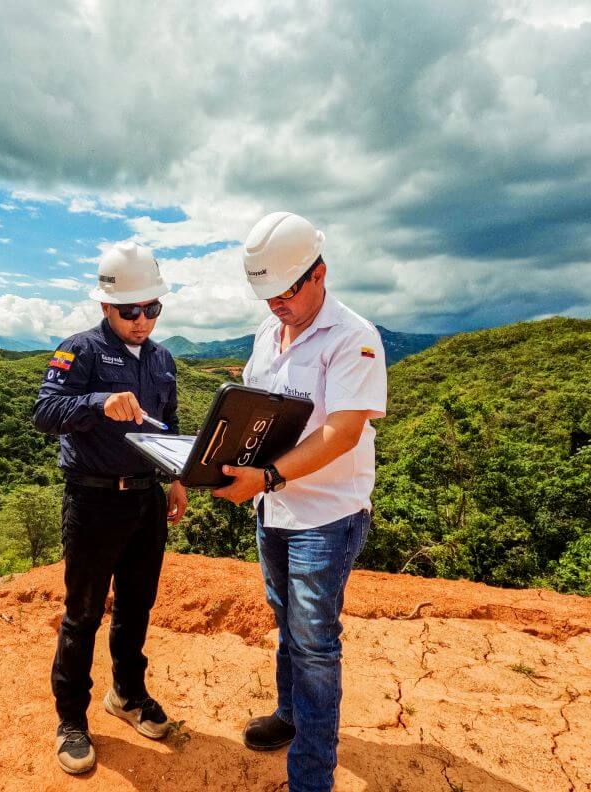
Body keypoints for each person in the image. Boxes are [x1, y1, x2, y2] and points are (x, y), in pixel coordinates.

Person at [212, 212, 387, 792]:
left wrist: (263, 478)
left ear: (320, 274)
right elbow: (257, 409)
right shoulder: (268, 334)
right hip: (276, 510)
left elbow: (341, 434)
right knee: (287, 622)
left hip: (326, 515)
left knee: (314, 644)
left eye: (287, 291)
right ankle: (290, 718)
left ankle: (312, 776)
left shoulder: (353, 337)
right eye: (267, 295)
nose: (277, 305)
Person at [32, 241, 188, 775]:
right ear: (106, 306)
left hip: (146, 497)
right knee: (83, 614)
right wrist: (99, 402)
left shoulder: (164, 360)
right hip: (94, 499)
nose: (142, 321)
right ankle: (71, 719)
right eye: (130, 311)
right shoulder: (80, 351)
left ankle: (127, 694)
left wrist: (178, 480)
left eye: (152, 309)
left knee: (137, 605)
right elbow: (45, 411)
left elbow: (171, 425)